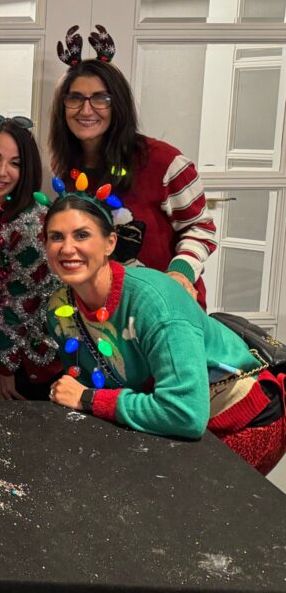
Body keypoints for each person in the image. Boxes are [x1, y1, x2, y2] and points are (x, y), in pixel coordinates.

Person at [43, 186, 286, 474]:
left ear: (110, 243)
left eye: (82, 235)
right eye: (56, 237)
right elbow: (83, 386)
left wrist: (87, 398)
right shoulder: (60, 309)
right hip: (169, 420)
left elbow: (184, 414)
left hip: (241, 418)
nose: (67, 248)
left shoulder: (154, 304)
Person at [49, 24, 216, 305]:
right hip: (99, 313)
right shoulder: (66, 168)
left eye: (100, 98)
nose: (86, 109)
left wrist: (180, 274)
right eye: (75, 98)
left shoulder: (164, 162)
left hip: (164, 310)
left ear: (118, 104)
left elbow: (200, 228)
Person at [0, 113, 62, 401]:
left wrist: (4, 368)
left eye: (15, 163)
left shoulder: (30, 226)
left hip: (26, 364)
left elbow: (23, 303)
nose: (1, 171)